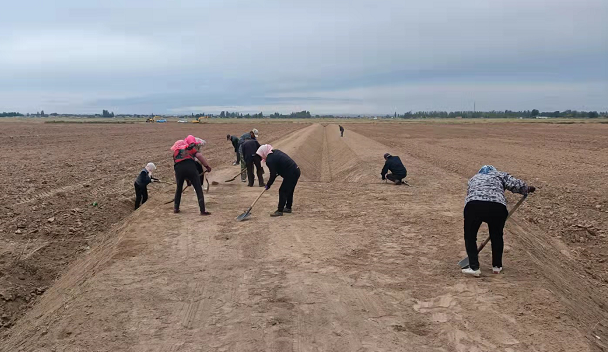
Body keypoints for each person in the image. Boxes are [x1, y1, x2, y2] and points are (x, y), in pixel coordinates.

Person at [462, 165, 535, 277]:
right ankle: (497, 266)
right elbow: (517, 185)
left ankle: (474, 267)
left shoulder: (473, 178)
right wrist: (527, 189)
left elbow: (471, 193)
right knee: (496, 235)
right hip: (497, 207)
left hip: (473, 206)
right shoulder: (500, 174)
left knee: (470, 236)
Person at [171, 135, 212, 215]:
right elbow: (199, 156)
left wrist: (187, 181)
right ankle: (202, 210)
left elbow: (179, 165)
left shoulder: (175, 152)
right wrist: (207, 166)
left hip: (178, 170)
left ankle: (176, 208)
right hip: (191, 168)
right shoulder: (190, 149)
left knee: (179, 189)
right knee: (198, 189)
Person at [257, 144, 300, 217]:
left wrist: (268, 185)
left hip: (291, 173)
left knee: (282, 190)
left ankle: (280, 210)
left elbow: (273, 174)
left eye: (261, 155)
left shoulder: (270, 160)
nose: (261, 157)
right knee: (289, 189)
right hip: (296, 170)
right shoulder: (274, 152)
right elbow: (278, 167)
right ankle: (288, 207)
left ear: (264, 152)